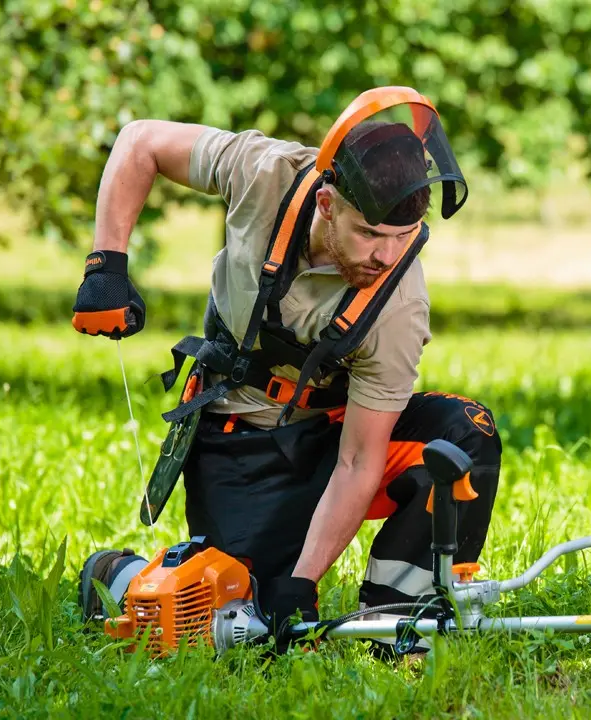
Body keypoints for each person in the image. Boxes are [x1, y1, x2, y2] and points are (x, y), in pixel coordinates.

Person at [70, 87, 501, 656]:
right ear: (328, 204)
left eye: (402, 239)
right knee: (229, 626)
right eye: (369, 233)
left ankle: (400, 628)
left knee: (464, 434)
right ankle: (118, 576)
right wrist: (107, 265)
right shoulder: (265, 172)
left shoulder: (399, 303)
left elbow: (359, 460)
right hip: (238, 435)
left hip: (332, 438)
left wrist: (304, 581)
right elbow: (140, 141)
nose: (385, 256)